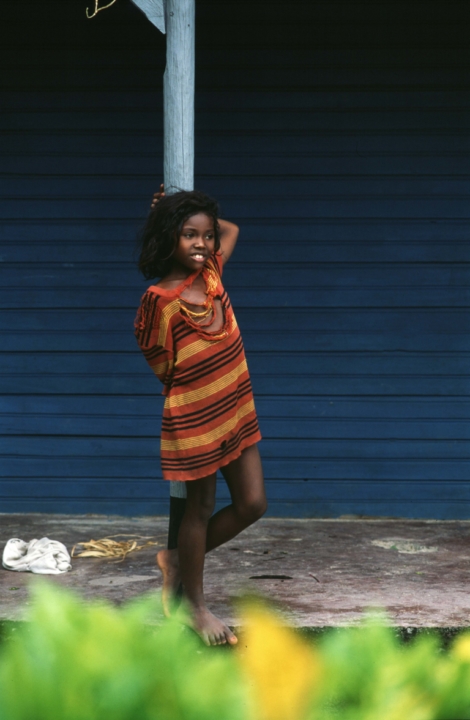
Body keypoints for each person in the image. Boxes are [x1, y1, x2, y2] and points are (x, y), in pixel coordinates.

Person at [134, 186, 267, 646]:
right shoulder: (159, 300)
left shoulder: (211, 276)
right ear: (169, 236)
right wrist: (170, 216)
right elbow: (159, 361)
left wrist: (177, 205)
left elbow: (232, 228)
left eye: (206, 236)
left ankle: (175, 559)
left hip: (236, 409)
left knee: (253, 503)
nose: (202, 244)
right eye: (189, 235)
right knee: (200, 507)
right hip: (196, 419)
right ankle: (195, 606)